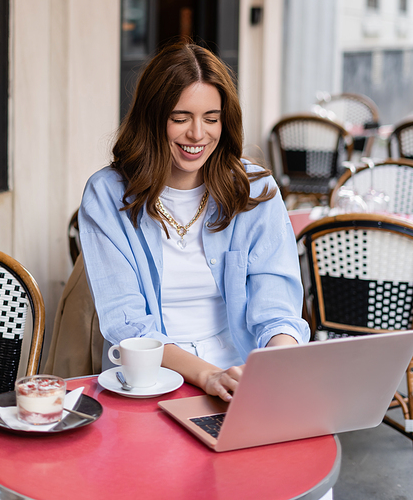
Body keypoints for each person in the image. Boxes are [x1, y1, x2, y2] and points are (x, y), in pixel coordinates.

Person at [78, 41, 310, 402]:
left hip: (240, 375)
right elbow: (130, 326)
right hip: (149, 380)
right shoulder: (107, 195)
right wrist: (208, 376)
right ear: (152, 118)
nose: (198, 134)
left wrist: (275, 361)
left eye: (212, 119)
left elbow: (276, 305)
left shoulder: (255, 189)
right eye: (180, 118)